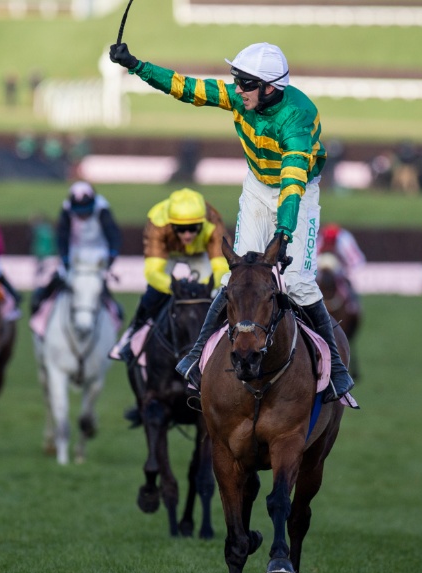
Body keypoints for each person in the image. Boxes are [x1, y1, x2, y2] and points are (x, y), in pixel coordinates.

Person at [109, 40, 354, 402]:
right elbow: (187, 88)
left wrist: (284, 233)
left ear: (270, 88)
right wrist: (135, 65)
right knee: (236, 276)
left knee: (298, 283)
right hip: (257, 187)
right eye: (236, 82)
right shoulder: (246, 95)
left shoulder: (297, 120)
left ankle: (335, 366)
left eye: (244, 84)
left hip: (297, 192)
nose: (237, 91)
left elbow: (292, 185)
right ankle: (196, 357)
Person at [114, 188, 230, 363]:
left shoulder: (213, 220)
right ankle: (132, 332)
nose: (187, 234)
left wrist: (202, 288)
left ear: (203, 223)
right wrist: (178, 288)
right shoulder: (158, 222)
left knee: (217, 292)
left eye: (193, 228)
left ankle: (225, 337)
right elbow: (153, 272)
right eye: (181, 229)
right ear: (170, 224)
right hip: (168, 253)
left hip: (200, 254)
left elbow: (221, 267)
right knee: (154, 292)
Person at [29, 181, 122, 316]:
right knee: (60, 276)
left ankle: (113, 311)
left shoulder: (102, 209)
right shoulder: (67, 210)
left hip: (98, 253)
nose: (82, 216)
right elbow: (62, 236)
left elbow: (113, 234)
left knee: (99, 284)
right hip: (75, 252)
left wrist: (112, 255)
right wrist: (65, 258)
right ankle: (40, 301)